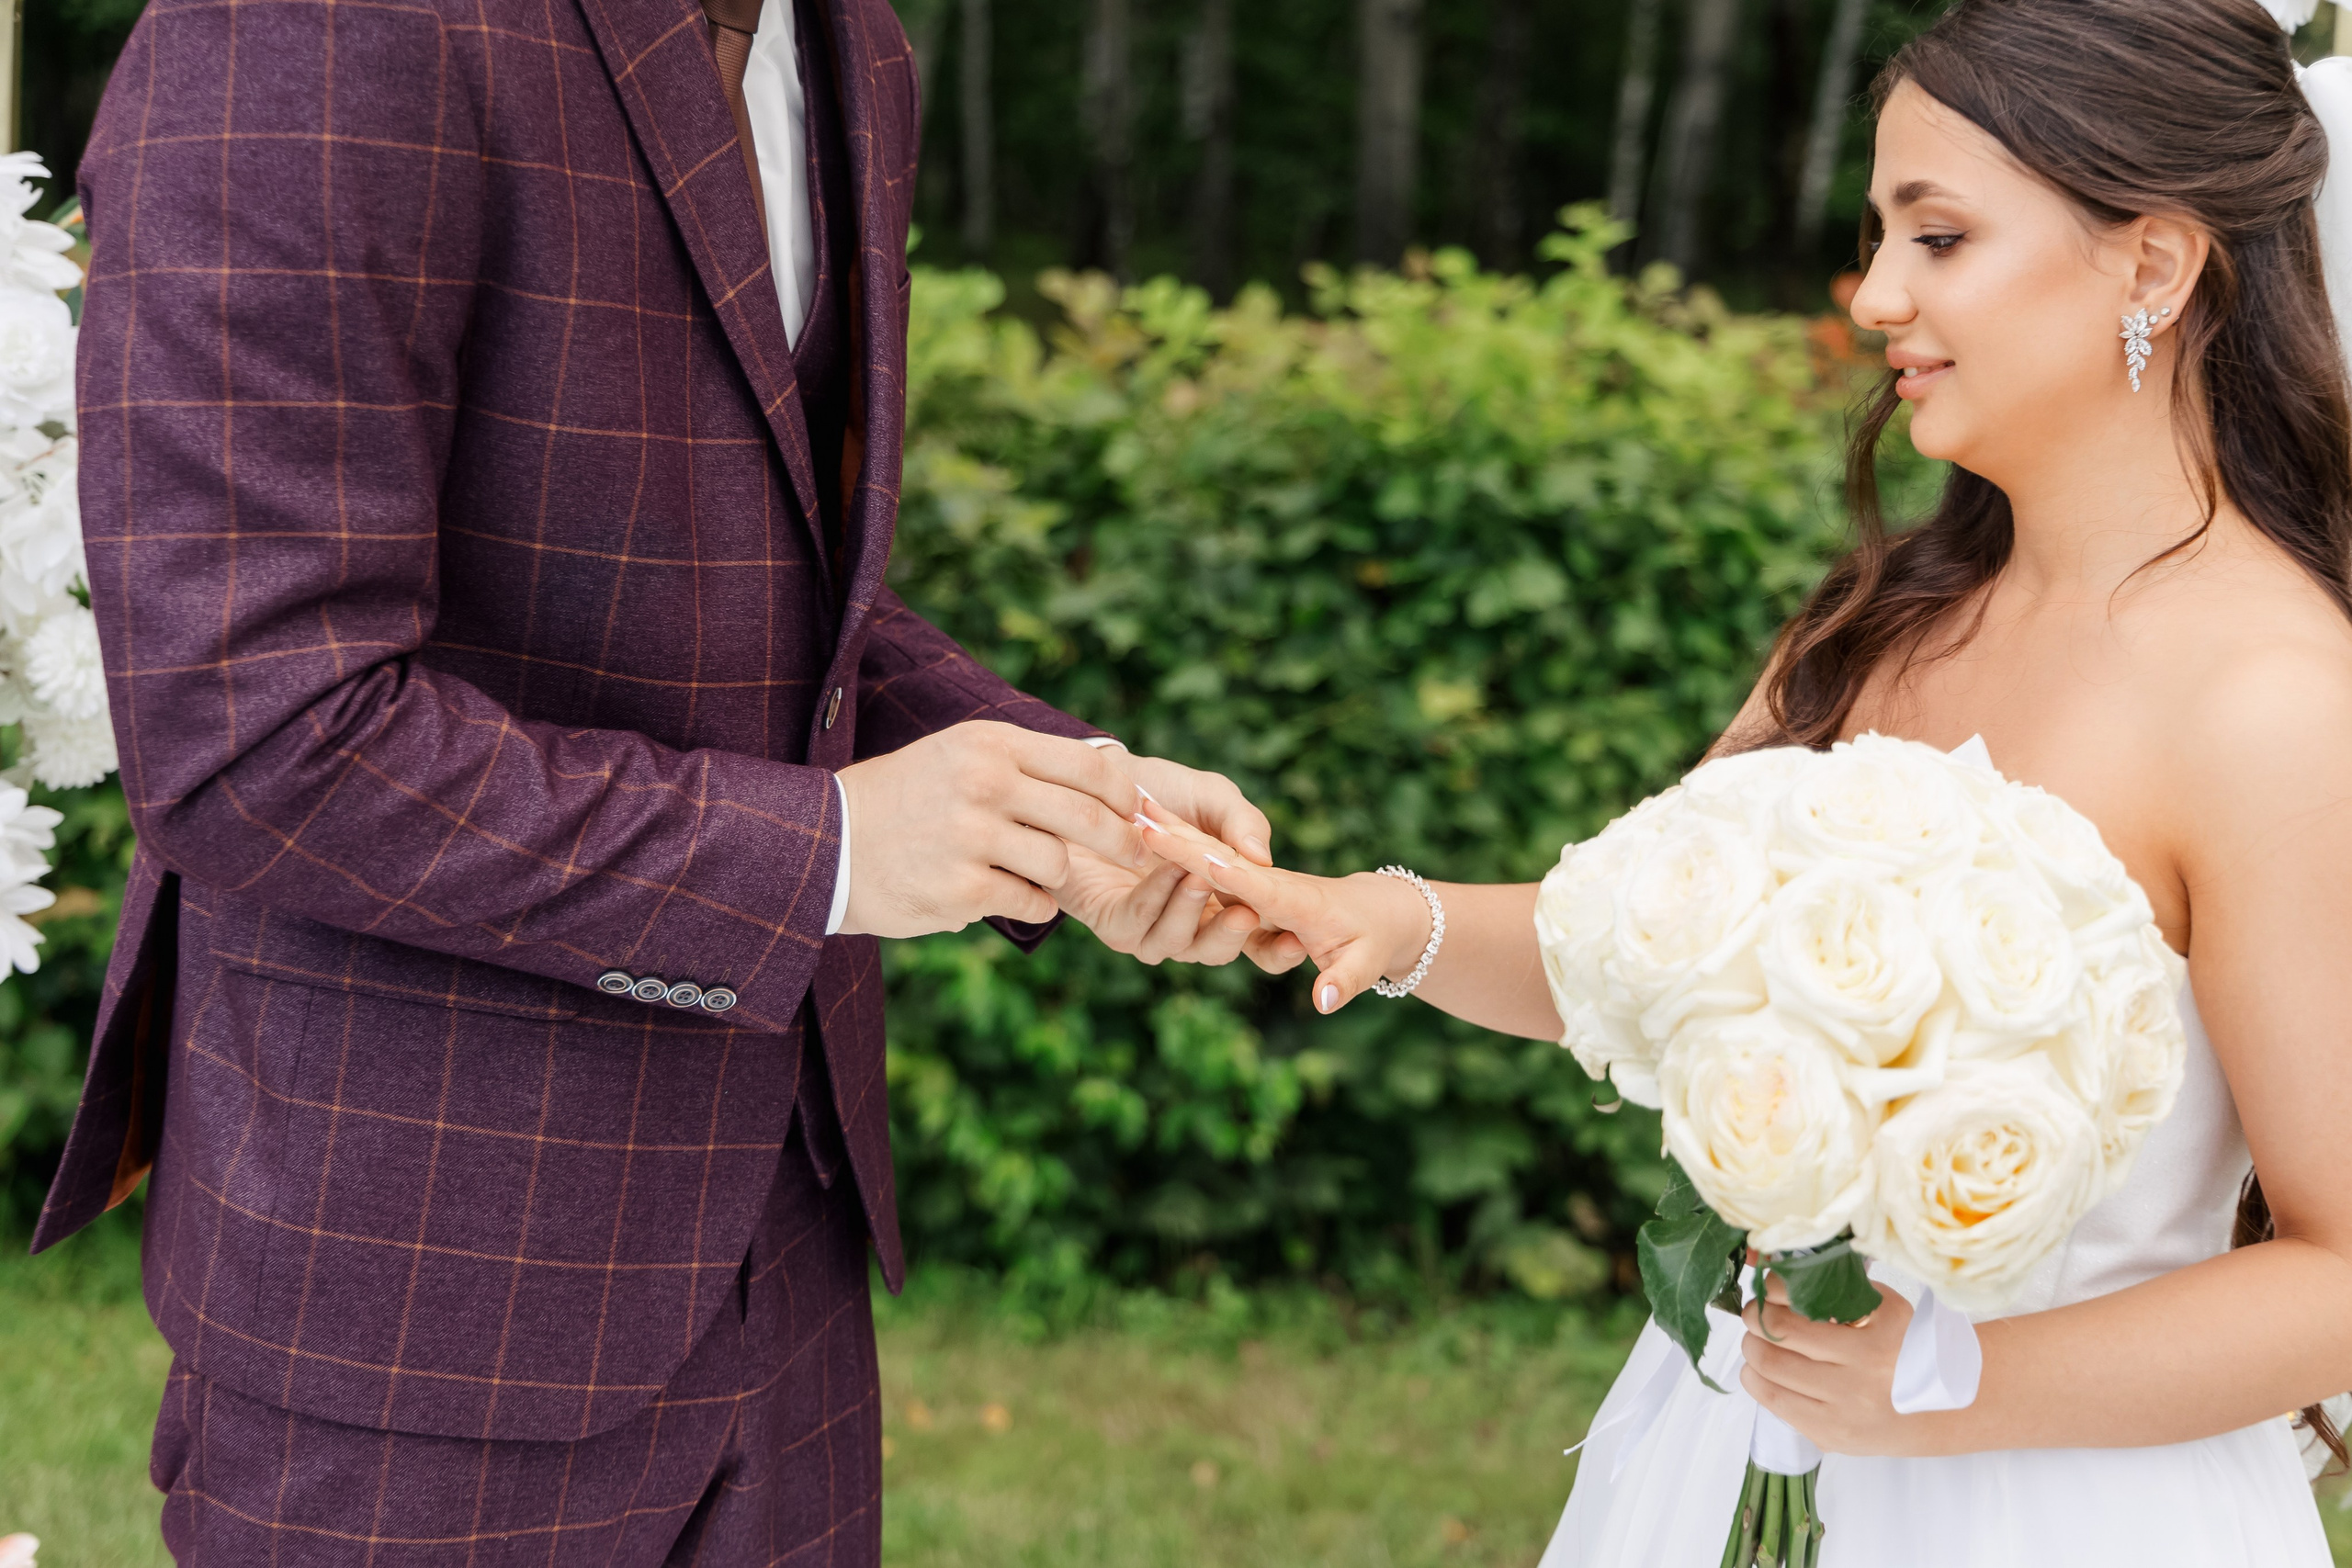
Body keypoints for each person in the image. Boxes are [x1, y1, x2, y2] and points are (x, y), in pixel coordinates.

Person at [26, 0, 1265, 1561]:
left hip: (787, 1283)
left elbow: (771, 594)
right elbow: (259, 729)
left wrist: (1070, 797)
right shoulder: (313, 23)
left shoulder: (855, 47)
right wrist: (821, 858)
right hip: (420, 1311)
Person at [1136, 0, 2352, 1561]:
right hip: (1730, 1456)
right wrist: (1385, 919)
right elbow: (1635, 945)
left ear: (2154, 264)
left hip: (2069, 1497)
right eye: (1878, 233)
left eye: (1939, 235)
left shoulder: (2275, 702)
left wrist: (1942, 1378)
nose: (1876, 296)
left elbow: (2337, 1278)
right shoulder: (1878, 626)